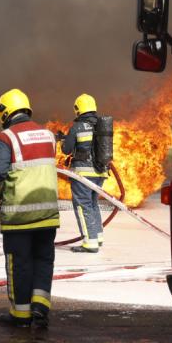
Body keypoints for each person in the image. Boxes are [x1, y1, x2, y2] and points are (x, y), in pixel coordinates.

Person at [0, 89, 60, 329]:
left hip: (20, 217)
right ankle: (40, 308)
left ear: (5, 112)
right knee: (43, 260)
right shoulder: (48, 135)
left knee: (20, 264)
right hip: (48, 215)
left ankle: (20, 314)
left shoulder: (6, 138)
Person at [57, 93, 107, 252]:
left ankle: (90, 243)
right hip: (100, 174)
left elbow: (67, 150)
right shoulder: (101, 125)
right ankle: (97, 237)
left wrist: (64, 140)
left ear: (78, 109)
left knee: (83, 206)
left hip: (83, 174)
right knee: (93, 204)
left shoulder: (77, 127)